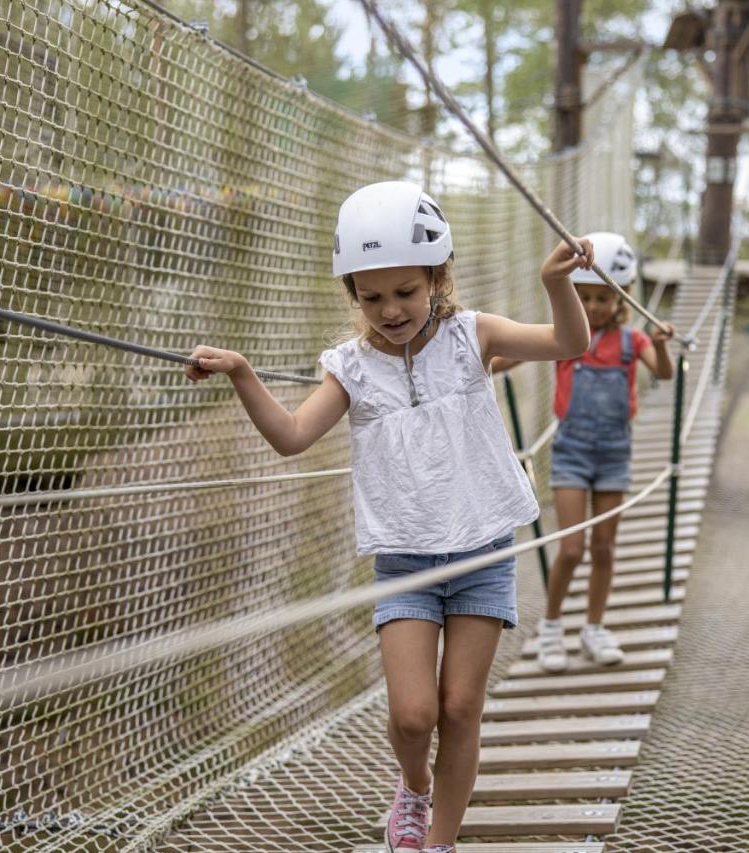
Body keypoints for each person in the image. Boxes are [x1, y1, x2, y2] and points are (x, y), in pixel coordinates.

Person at [184, 181, 592, 853]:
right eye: (370, 297)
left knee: (460, 707)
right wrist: (242, 373)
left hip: (482, 552)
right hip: (405, 560)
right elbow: (291, 437)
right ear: (353, 295)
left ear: (438, 275)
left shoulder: (471, 336)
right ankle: (414, 785)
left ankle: (438, 841)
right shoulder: (350, 367)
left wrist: (556, 282)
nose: (390, 310)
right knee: (412, 716)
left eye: (405, 291)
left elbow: (568, 341)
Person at [493, 232, 675, 673]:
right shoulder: (565, 337)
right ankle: (552, 628)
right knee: (572, 548)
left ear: (622, 298)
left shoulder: (634, 343)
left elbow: (665, 374)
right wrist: (469, 361)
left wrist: (663, 342)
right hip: (572, 452)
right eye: (585, 298)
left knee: (605, 548)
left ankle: (594, 628)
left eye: (602, 299)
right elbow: (506, 358)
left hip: (615, 453)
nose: (593, 308)